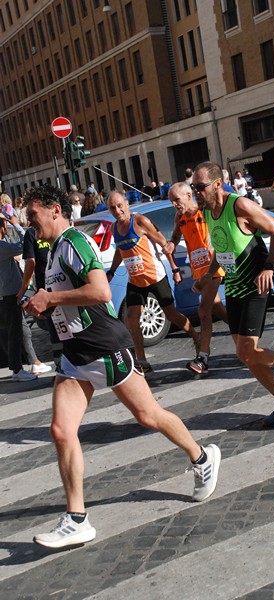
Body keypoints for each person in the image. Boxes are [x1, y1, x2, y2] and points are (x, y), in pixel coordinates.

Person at [22, 183, 220, 549]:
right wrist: (45, 304)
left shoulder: (74, 243)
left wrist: (50, 297)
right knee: (61, 431)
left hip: (104, 348)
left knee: (148, 415)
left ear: (53, 209)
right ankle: (77, 519)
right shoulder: (50, 251)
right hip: (75, 356)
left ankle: (202, 456)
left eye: (32, 214)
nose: (28, 222)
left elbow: (101, 292)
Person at [192, 161, 274, 427]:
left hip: (256, 283)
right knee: (245, 354)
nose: (195, 193)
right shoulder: (208, 213)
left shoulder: (239, 206)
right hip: (235, 286)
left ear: (216, 185)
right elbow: (222, 249)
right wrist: (207, 277)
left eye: (199, 187)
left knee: (247, 348)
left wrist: (269, 267)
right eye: (193, 188)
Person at [106, 191, 200, 374]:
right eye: (112, 208)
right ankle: (142, 360)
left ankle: (196, 337)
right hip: (135, 279)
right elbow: (119, 250)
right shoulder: (113, 228)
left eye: (119, 206)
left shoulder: (141, 221)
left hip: (154, 276)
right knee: (132, 318)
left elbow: (164, 243)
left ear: (126, 204)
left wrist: (174, 269)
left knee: (171, 315)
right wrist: (111, 271)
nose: (117, 211)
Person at [166, 182, 227, 374]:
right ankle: (243, 333)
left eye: (177, 200)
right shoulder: (180, 217)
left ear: (188, 195)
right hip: (198, 270)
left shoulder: (206, 211)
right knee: (218, 308)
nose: (174, 204)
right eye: (171, 201)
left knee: (203, 311)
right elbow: (175, 237)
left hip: (214, 267)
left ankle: (203, 358)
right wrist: (171, 244)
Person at [17, 225, 62, 369]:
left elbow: (31, 262)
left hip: (48, 290)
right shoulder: (42, 231)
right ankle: (64, 367)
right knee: (60, 329)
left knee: (56, 330)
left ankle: (63, 368)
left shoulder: (31, 233)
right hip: (55, 287)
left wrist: (24, 288)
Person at [0, 213, 37, 381]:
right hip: (8, 293)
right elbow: (25, 244)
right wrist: (16, 225)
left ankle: (26, 363)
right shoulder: (2, 247)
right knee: (14, 332)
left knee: (16, 329)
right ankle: (17, 369)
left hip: (6, 293)